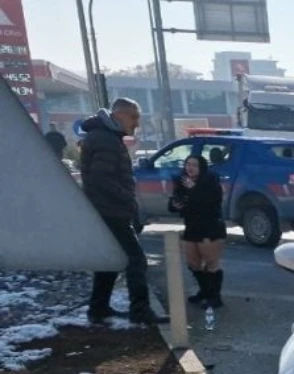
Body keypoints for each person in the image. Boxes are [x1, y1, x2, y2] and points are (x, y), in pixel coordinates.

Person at [79, 98, 167, 326]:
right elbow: (100, 178)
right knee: (136, 260)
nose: (137, 123)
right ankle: (140, 310)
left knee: (112, 258)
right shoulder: (106, 140)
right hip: (111, 211)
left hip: (107, 210)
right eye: (134, 117)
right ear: (119, 115)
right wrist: (128, 198)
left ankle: (99, 308)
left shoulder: (103, 136)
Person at [169, 154, 227, 309]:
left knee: (211, 262)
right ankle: (205, 291)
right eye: (188, 164)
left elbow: (211, 202)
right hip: (192, 226)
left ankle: (215, 297)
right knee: (193, 263)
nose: (190, 168)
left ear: (201, 167)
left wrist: (194, 189)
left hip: (210, 227)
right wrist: (175, 204)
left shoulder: (211, 181)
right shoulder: (182, 181)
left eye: (194, 165)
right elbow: (173, 203)